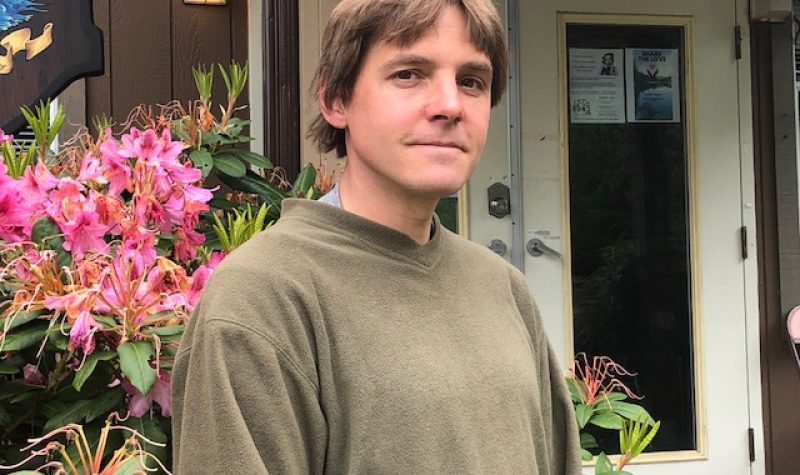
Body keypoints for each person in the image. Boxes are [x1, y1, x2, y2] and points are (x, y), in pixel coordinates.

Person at [171, 0, 581, 473]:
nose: (450, 105)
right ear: (336, 100)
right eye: (409, 73)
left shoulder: (505, 289)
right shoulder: (263, 298)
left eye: (471, 81)